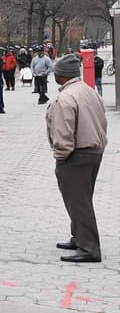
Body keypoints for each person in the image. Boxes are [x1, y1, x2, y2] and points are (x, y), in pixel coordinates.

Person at [46, 54, 107, 263]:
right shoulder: (89, 91)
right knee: (81, 198)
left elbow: (64, 131)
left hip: (76, 153)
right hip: (94, 150)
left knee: (78, 202)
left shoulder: (66, 98)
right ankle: (78, 236)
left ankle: (89, 248)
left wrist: (60, 155)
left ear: (61, 75)